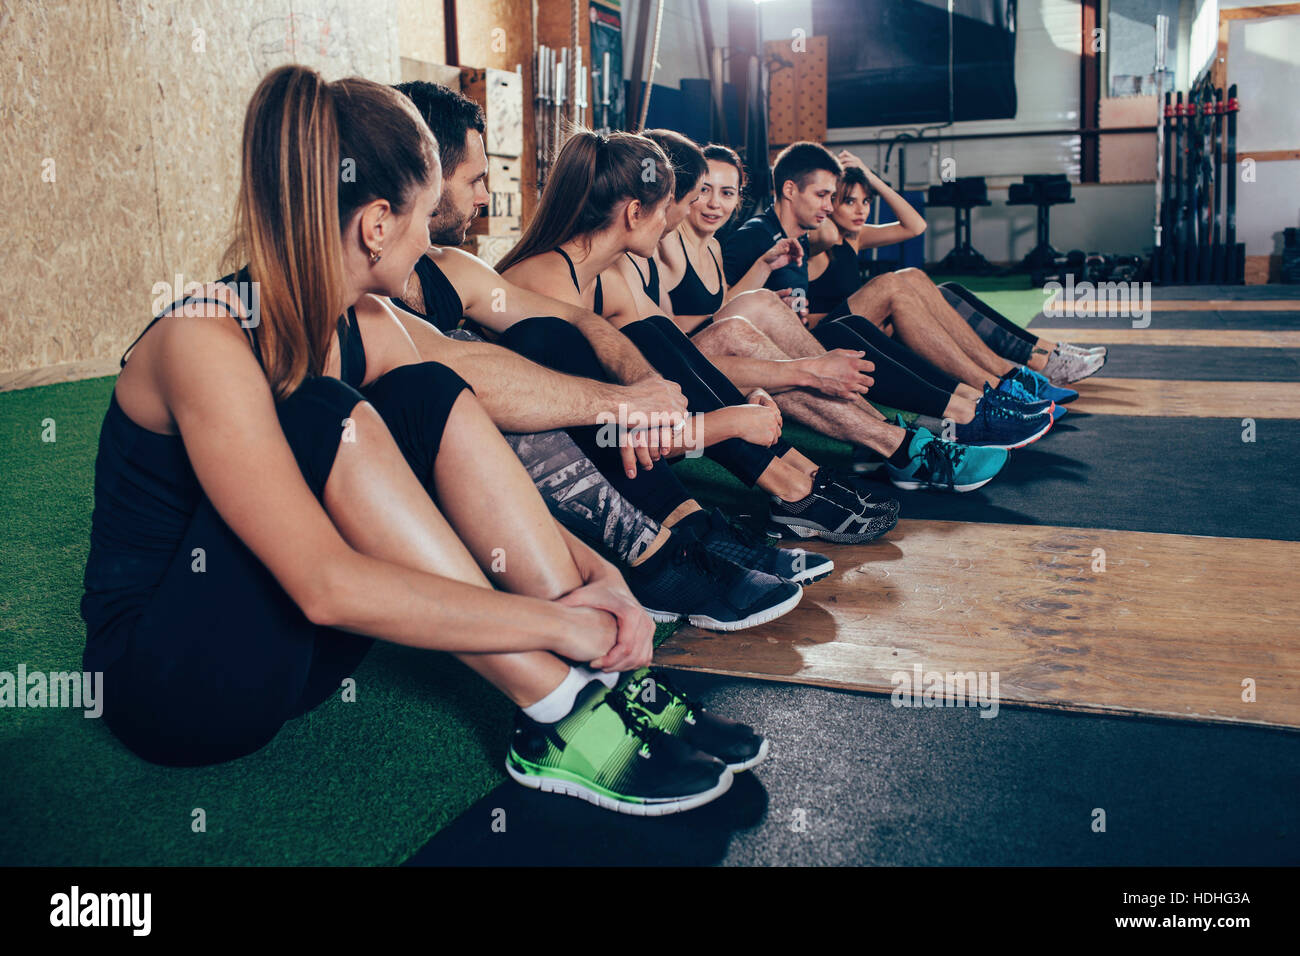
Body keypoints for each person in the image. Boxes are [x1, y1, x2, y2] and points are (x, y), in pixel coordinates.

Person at [79, 65, 764, 816]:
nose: (438, 236)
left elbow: (478, 409)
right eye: (427, 212)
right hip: (177, 688)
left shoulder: (368, 323)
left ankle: (599, 690)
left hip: (296, 656)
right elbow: (326, 583)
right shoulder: (202, 337)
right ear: (377, 223)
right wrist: (563, 627)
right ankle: (557, 702)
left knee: (429, 390)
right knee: (319, 410)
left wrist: (598, 577)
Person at [385, 80, 828, 626]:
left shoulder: (449, 265)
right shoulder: (364, 303)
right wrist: (636, 408)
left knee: (576, 337)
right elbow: (472, 376)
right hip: (428, 478)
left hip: (574, 440)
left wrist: (644, 390)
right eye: (476, 180)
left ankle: (688, 528)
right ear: (421, 177)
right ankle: (654, 554)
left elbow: (583, 320)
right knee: (504, 370)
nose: (484, 197)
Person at [639, 136, 1055, 453]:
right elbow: (682, 328)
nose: (714, 203)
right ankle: (974, 402)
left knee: (922, 286)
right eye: (829, 197)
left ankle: (991, 388)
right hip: (760, 348)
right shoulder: (736, 237)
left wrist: (767, 270)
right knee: (884, 296)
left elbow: (723, 303)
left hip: (790, 335)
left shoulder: (723, 245)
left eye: (728, 193)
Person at [722, 141, 1082, 415]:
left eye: (834, 197)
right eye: (826, 196)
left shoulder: (798, 232)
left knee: (924, 283)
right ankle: (999, 384)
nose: (831, 206)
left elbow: (914, 226)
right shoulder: (765, 235)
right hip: (808, 343)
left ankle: (1004, 380)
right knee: (894, 284)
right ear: (789, 190)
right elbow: (720, 313)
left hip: (824, 331)